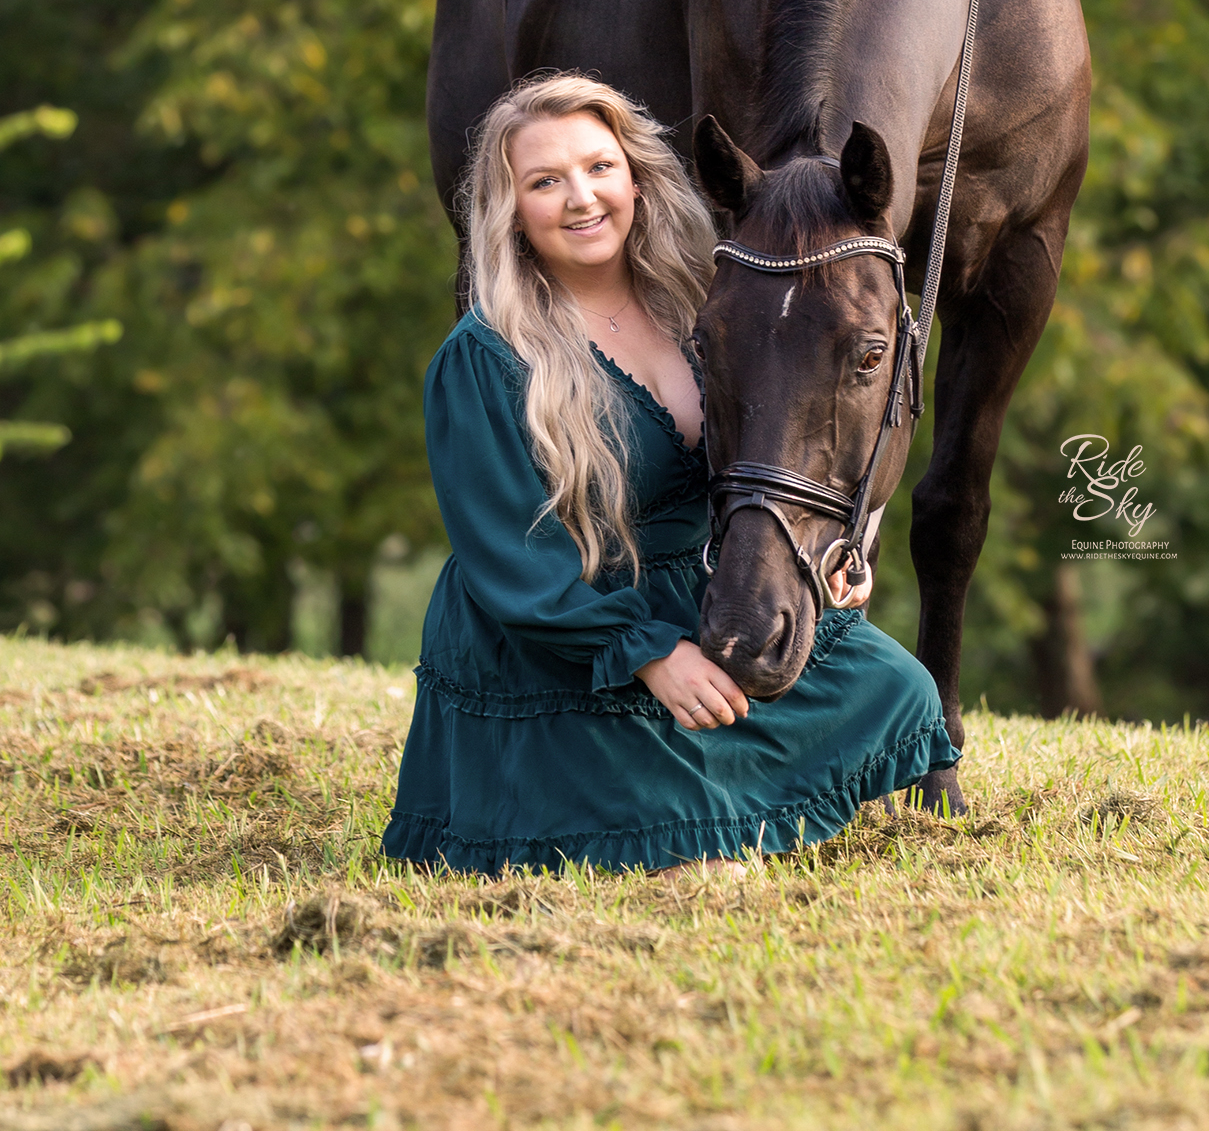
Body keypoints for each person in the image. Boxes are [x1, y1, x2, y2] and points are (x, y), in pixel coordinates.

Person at [381, 73, 958, 875]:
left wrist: (820, 555)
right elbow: (515, 568)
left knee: (899, 688)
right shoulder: (484, 357)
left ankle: (717, 791)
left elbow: (770, 466)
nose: (581, 198)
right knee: (677, 820)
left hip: (697, 599)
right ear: (510, 210)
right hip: (564, 630)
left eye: (598, 168)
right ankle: (662, 803)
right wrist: (650, 654)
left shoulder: (706, 308)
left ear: (636, 177)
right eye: (546, 182)